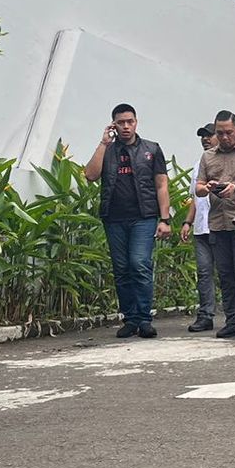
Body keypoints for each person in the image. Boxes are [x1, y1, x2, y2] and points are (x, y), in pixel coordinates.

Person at [84, 103, 173, 339]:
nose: (126, 126)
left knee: (139, 264)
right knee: (122, 270)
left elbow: (161, 184)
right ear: (114, 124)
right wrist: (104, 143)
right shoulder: (108, 150)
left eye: (129, 121)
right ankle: (130, 319)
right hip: (114, 218)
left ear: (136, 122)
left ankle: (144, 319)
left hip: (143, 217)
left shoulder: (151, 149)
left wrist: (165, 219)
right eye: (121, 122)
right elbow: (91, 175)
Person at [195, 110, 235, 341]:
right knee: (226, 275)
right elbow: (198, 188)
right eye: (220, 133)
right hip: (217, 223)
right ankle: (231, 320)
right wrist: (209, 187)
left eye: (229, 132)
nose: (224, 137)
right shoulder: (208, 156)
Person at [183, 123, 219, 332]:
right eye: (203, 137)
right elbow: (195, 199)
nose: (206, 139)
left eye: (209, 135)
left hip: (221, 226)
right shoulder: (198, 165)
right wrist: (187, 222)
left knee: (228, 273)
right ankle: (205, 315)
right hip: (201, 229)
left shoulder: (226, 161)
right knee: (204, 273)